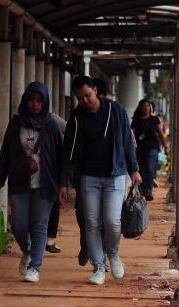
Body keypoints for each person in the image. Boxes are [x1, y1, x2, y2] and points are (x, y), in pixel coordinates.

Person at [59, 75, 141, 285]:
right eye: (80, 98)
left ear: (95, 90)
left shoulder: (116, 111)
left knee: (113, 221)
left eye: (87, 95)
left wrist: (134, 169)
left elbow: (127, 143)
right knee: (91, 223)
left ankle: (113, 254)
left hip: (115, 175)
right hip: (88, 178)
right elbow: (67, 151)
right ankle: (98, 266)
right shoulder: (76, 118)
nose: (84, 101)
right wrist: (63, 182)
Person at [0, 81, 65, 283]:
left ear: (45, 103)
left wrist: (63, 183)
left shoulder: (51, 124)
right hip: (20, 182)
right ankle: (28, 249)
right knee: (18, 224)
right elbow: (6, 153)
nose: (35, 104)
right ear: (26, 100)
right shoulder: (16, 123)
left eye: (39, 101)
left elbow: (62, 156)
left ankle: (35, 267)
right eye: (31, 100)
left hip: (46, 183)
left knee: (39, 225)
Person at [131, 99, 166, 201]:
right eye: (144, 106)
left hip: (153, 147)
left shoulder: (154, 119)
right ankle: (143, 190)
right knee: (141, 170)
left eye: (148, 106)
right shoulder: (136, 120)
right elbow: (131, 134)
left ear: (150, 107)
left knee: (150, 168)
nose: (146, 108)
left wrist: (165, 146)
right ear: (140, 107)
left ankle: (149, 190)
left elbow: (160, 133)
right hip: (140, 149)